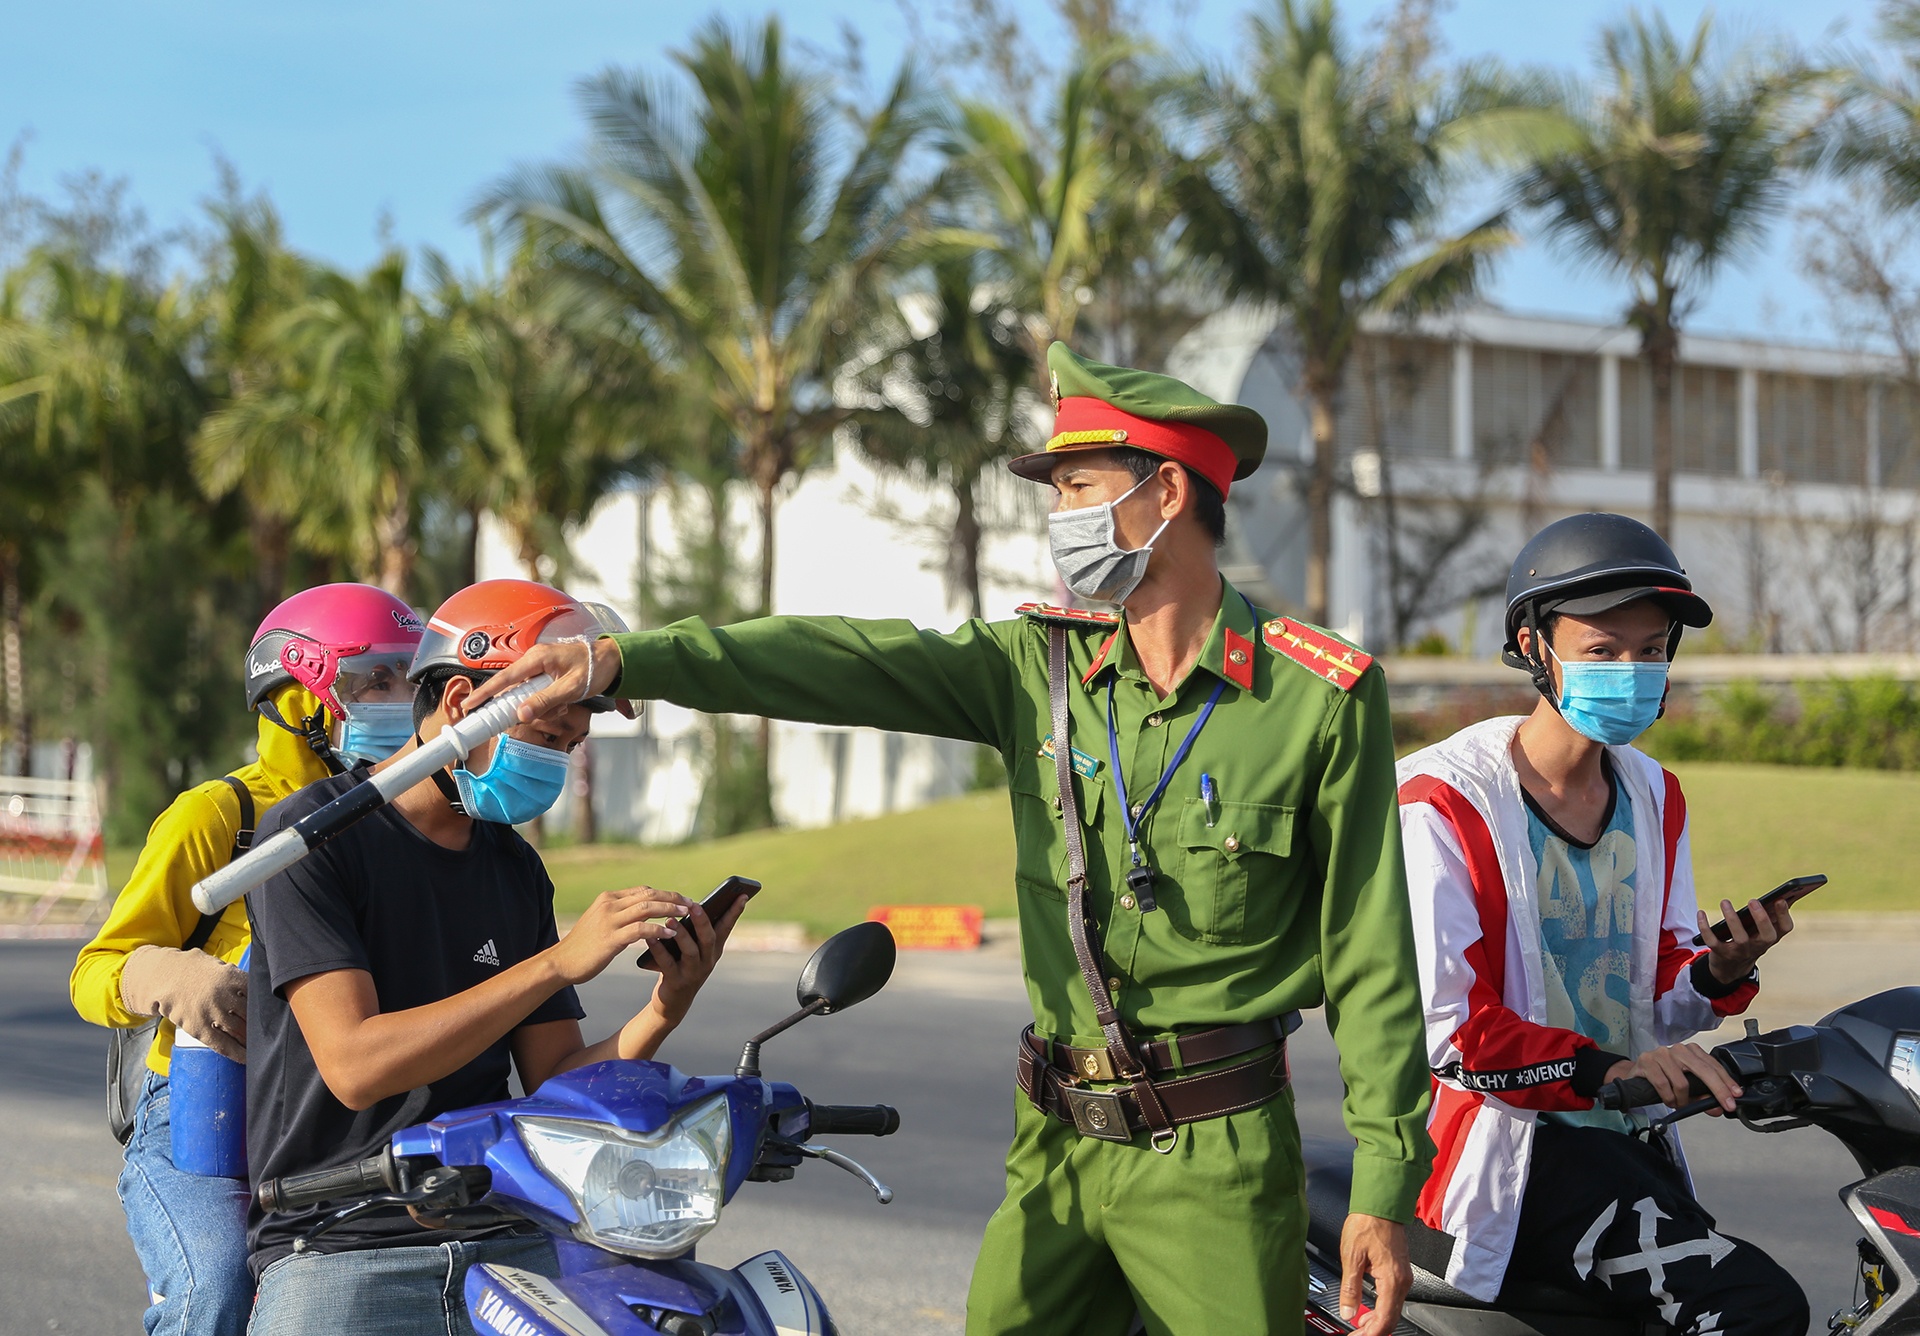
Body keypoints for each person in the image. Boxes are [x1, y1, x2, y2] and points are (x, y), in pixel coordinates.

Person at [468, 345, 1435, 1336]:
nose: (1061, 518)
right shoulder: (1036, 669)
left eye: (1079, 487)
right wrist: (626, 658)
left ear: (1170, 490)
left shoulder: (1314, 697)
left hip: (1219, 1155)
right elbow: (838, 661)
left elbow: (1372, 960)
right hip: (1056, 1146)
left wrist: (1385, 1182)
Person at [242, 579, 744, 1336]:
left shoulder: (512, 868)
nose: (559, 766)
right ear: (458, 705)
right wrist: (555, 964)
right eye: (546, 739)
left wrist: (666, 1005)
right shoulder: (312, 839)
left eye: (570, 748)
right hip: (339, 1246)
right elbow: (355, 1066)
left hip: (502, 1242)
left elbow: (554, 1083)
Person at [1397, 513, 1808, 1334]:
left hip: (1619, 1141)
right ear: (1532, 645)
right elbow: (1451, 1033)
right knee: (1755, 1308)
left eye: (1651, 650)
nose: (1633, 671)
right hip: (1508, 1157)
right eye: (1602, 651)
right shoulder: (1442, 802)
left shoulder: (1655, 793)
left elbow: (1654, 984)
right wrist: (1606, 1073)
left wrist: (1717, 972)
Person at [70, 582, 426, 1336]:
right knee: (220, 1287)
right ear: (302, 697)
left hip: (338, 1116)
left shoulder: (402, 820)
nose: (405, 697)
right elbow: (96, 968)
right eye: (378, 679)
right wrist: (167, 975)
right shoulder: (219, 816)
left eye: (409, 676)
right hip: (204, 1114)